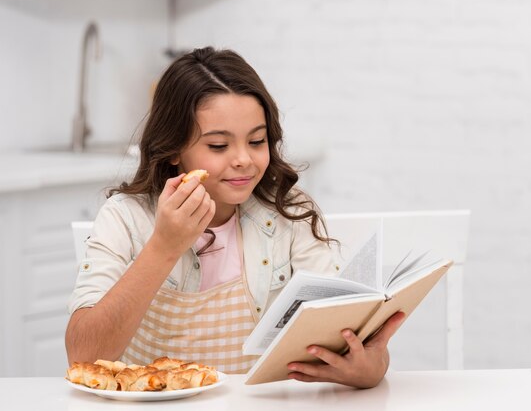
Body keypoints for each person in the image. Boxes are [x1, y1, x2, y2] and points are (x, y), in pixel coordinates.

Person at [65, 46, 405, 389]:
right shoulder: (126, 219)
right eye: (218, 146)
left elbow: (345, 326)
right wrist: (163, 247)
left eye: (256, 141)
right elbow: (82, 354)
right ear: (171, 149)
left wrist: (371, 367)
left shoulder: (288, 214)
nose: (244, 159)